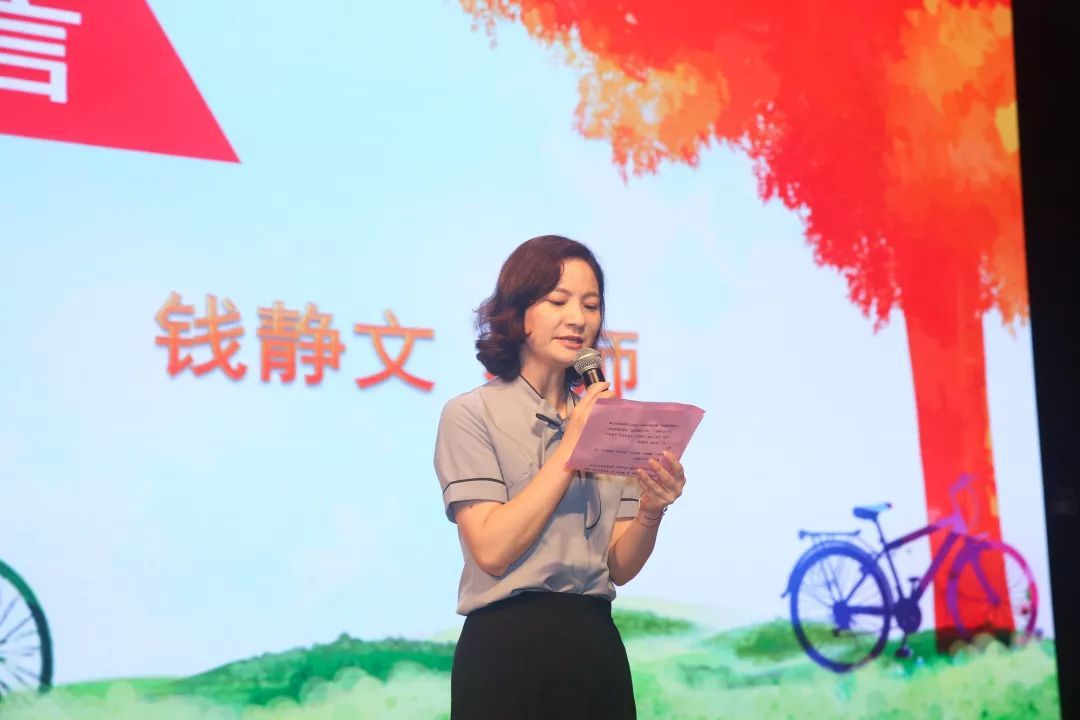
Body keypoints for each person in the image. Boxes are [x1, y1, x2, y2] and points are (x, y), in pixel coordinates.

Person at [433, 235, 688, 719]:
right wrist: (572, 444)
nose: (578, 319)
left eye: (591, 306)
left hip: (594, 647)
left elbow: (619, 566)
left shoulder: (611, 423)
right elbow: (492, 549)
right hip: (506, 651)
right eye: (558, 301)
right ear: (518, 312)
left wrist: (652, 510)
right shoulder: (470, 414)